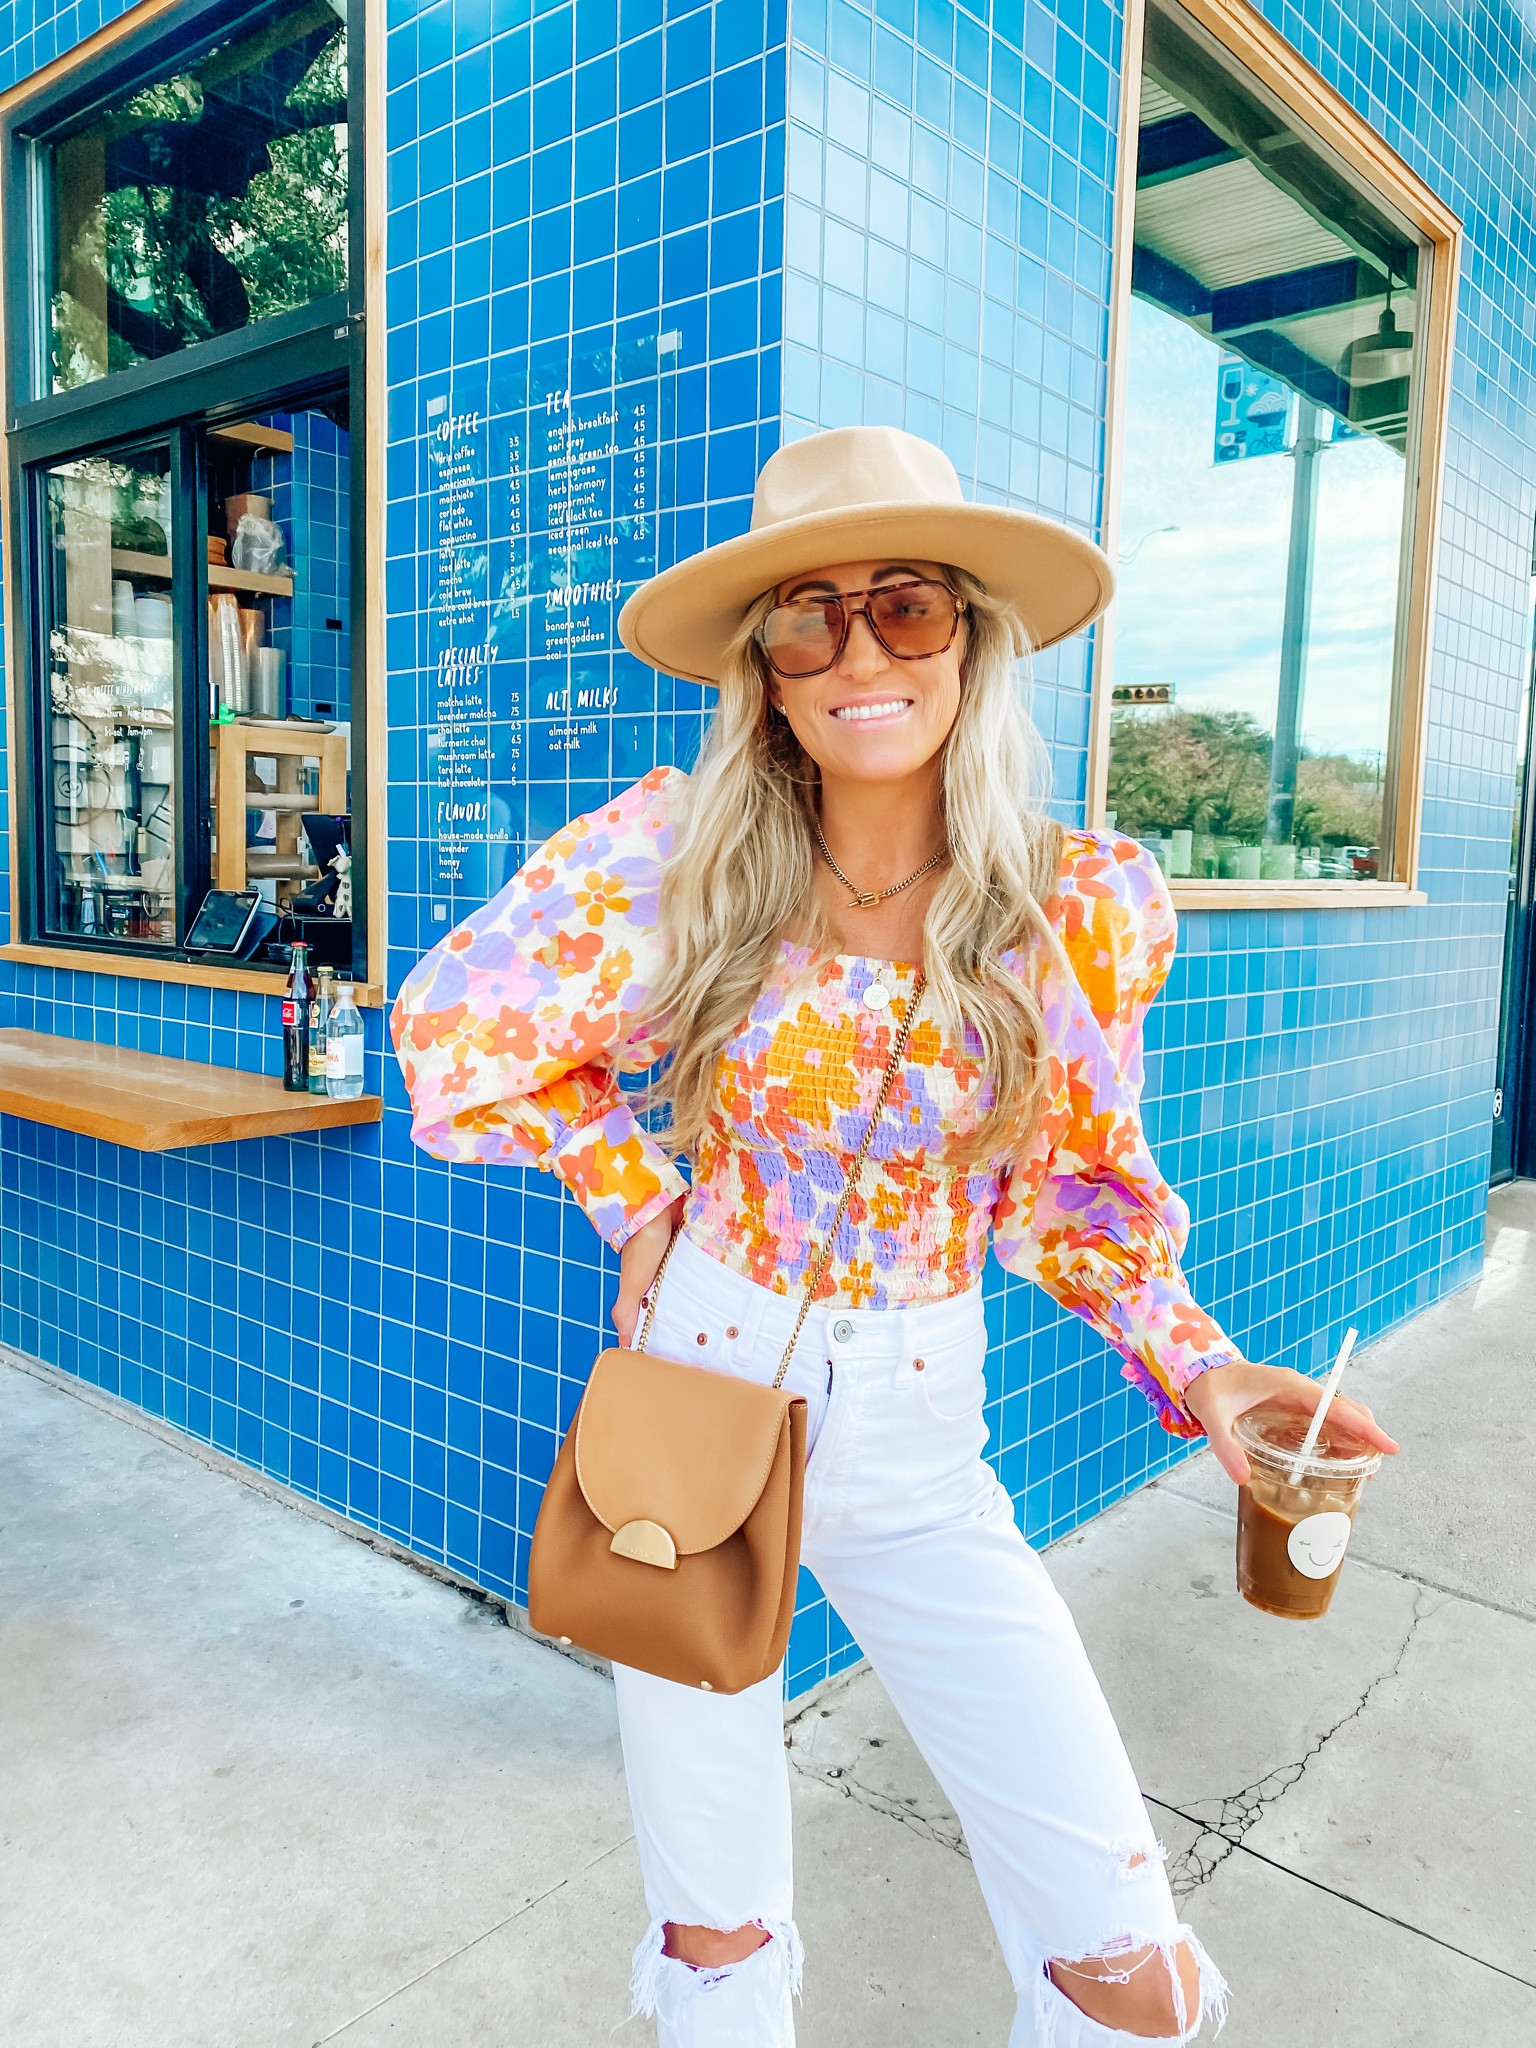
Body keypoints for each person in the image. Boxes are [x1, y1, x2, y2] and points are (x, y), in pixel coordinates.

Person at [392, 425, 1397, 2047]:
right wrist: (636, 1194)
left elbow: (1078, 1190)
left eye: (908, 608)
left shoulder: (1077, 905)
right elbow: (454, 1026)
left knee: (1121, 1969)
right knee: (717, 1944)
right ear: (769, 676)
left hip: (926, 1430)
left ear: (971, 643)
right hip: (703, 1392)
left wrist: (1210, 1380)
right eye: (810, 619)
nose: (860, 651)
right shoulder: (673, 855)